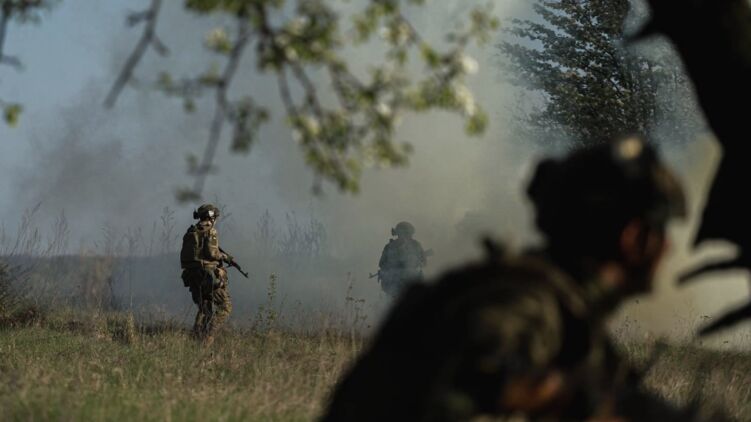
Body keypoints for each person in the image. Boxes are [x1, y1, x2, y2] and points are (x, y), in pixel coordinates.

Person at [321, 136, 705, 421]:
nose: (670, 247)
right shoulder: (524, 306)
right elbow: (444, 390)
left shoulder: (565, 313)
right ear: (635, 239)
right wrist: (559, 399)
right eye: (662, 230)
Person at [180, 203, 233, 344]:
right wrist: (225, 257)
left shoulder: (191, 231)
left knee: (205, 309)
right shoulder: (211, 231)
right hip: (207, 276)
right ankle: (208, 336)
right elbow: (212, 253)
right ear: (211, 216)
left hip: (192, 276)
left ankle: (195, 339)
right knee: (225, 307)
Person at [377, 221, 428, 298]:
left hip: (411, 280)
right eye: (403, 234)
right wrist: (392, 266)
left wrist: (416, 262)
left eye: (407, 234)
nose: (405, 236)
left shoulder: (416, 245)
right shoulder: (390, 246)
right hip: (394, 282)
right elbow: (382, 264)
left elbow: (424, 262)